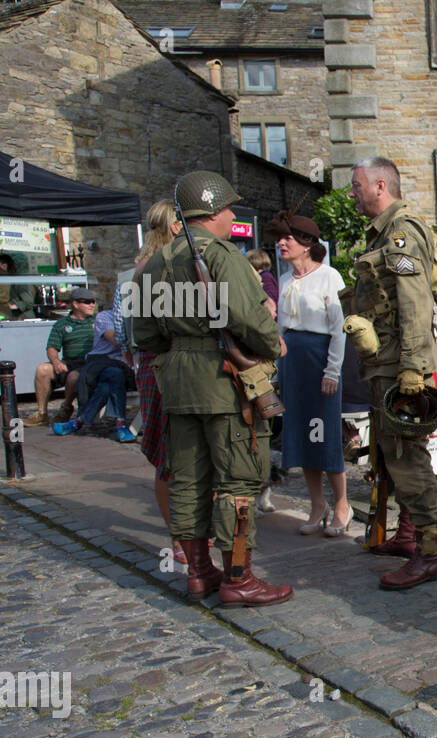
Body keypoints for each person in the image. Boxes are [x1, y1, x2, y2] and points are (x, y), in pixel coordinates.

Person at [137, 170, 292, 607]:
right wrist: (270, 344)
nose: (231, 217)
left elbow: (145, 336)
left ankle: (199, 574)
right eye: (229, 209)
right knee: (238, 481)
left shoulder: (154, 262)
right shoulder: (223, 254)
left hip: (178, 385)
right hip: (225, 381)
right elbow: (249, 317)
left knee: (187, 479)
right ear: (215, 212)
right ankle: (238, 577)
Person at [346, 156, 437, 588]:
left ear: (380, 185)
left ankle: (428, 552)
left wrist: (413, 367)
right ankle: (407, 537)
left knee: (408, 456)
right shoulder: (382, 233)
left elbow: (415, 302)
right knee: (389, 452)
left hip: (399, 366)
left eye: (356, 186)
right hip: (381, 364)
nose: (351, 194)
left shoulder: (402, 232)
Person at [270, 212, 351, 537]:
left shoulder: (330, 277)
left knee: (324, 435)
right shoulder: (286, 279)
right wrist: (277, 372)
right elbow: (279, 329)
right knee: (302, 436)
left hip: (320, 362)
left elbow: (339, 329)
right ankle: (317, 505)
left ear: (305, 243)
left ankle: (342, 504)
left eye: (287, 238)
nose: (281, 244)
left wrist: (332, 370)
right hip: (293, 364)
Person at [121, 199, 183, 564]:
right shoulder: (153, 269)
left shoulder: (141, 269)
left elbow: (125, 327)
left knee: (175, 453)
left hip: (153, 362)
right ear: (175, 228)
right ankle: (179, 537)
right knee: (169, 454)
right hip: (162, 364)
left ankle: (185, 535)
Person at [52, 306, 136, 442]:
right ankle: (120, 424)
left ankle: (80, 420)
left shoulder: (138, 318)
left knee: (111, 378)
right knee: (114, 373)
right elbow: (115, 340)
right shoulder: (105, 317)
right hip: (100, 362)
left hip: (123, 367)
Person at [24, 288, 96, 427]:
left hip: (89, 363)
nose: (92, 305)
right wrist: (55, 361)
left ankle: (66, 408)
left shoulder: (97, 321)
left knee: (74, 377)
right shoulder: (62, 324)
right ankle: (41, 413)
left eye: (93, 302)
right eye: (87, 302)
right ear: (75, 304)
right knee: (42, 369)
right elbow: (52, 347)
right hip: (69, 362)